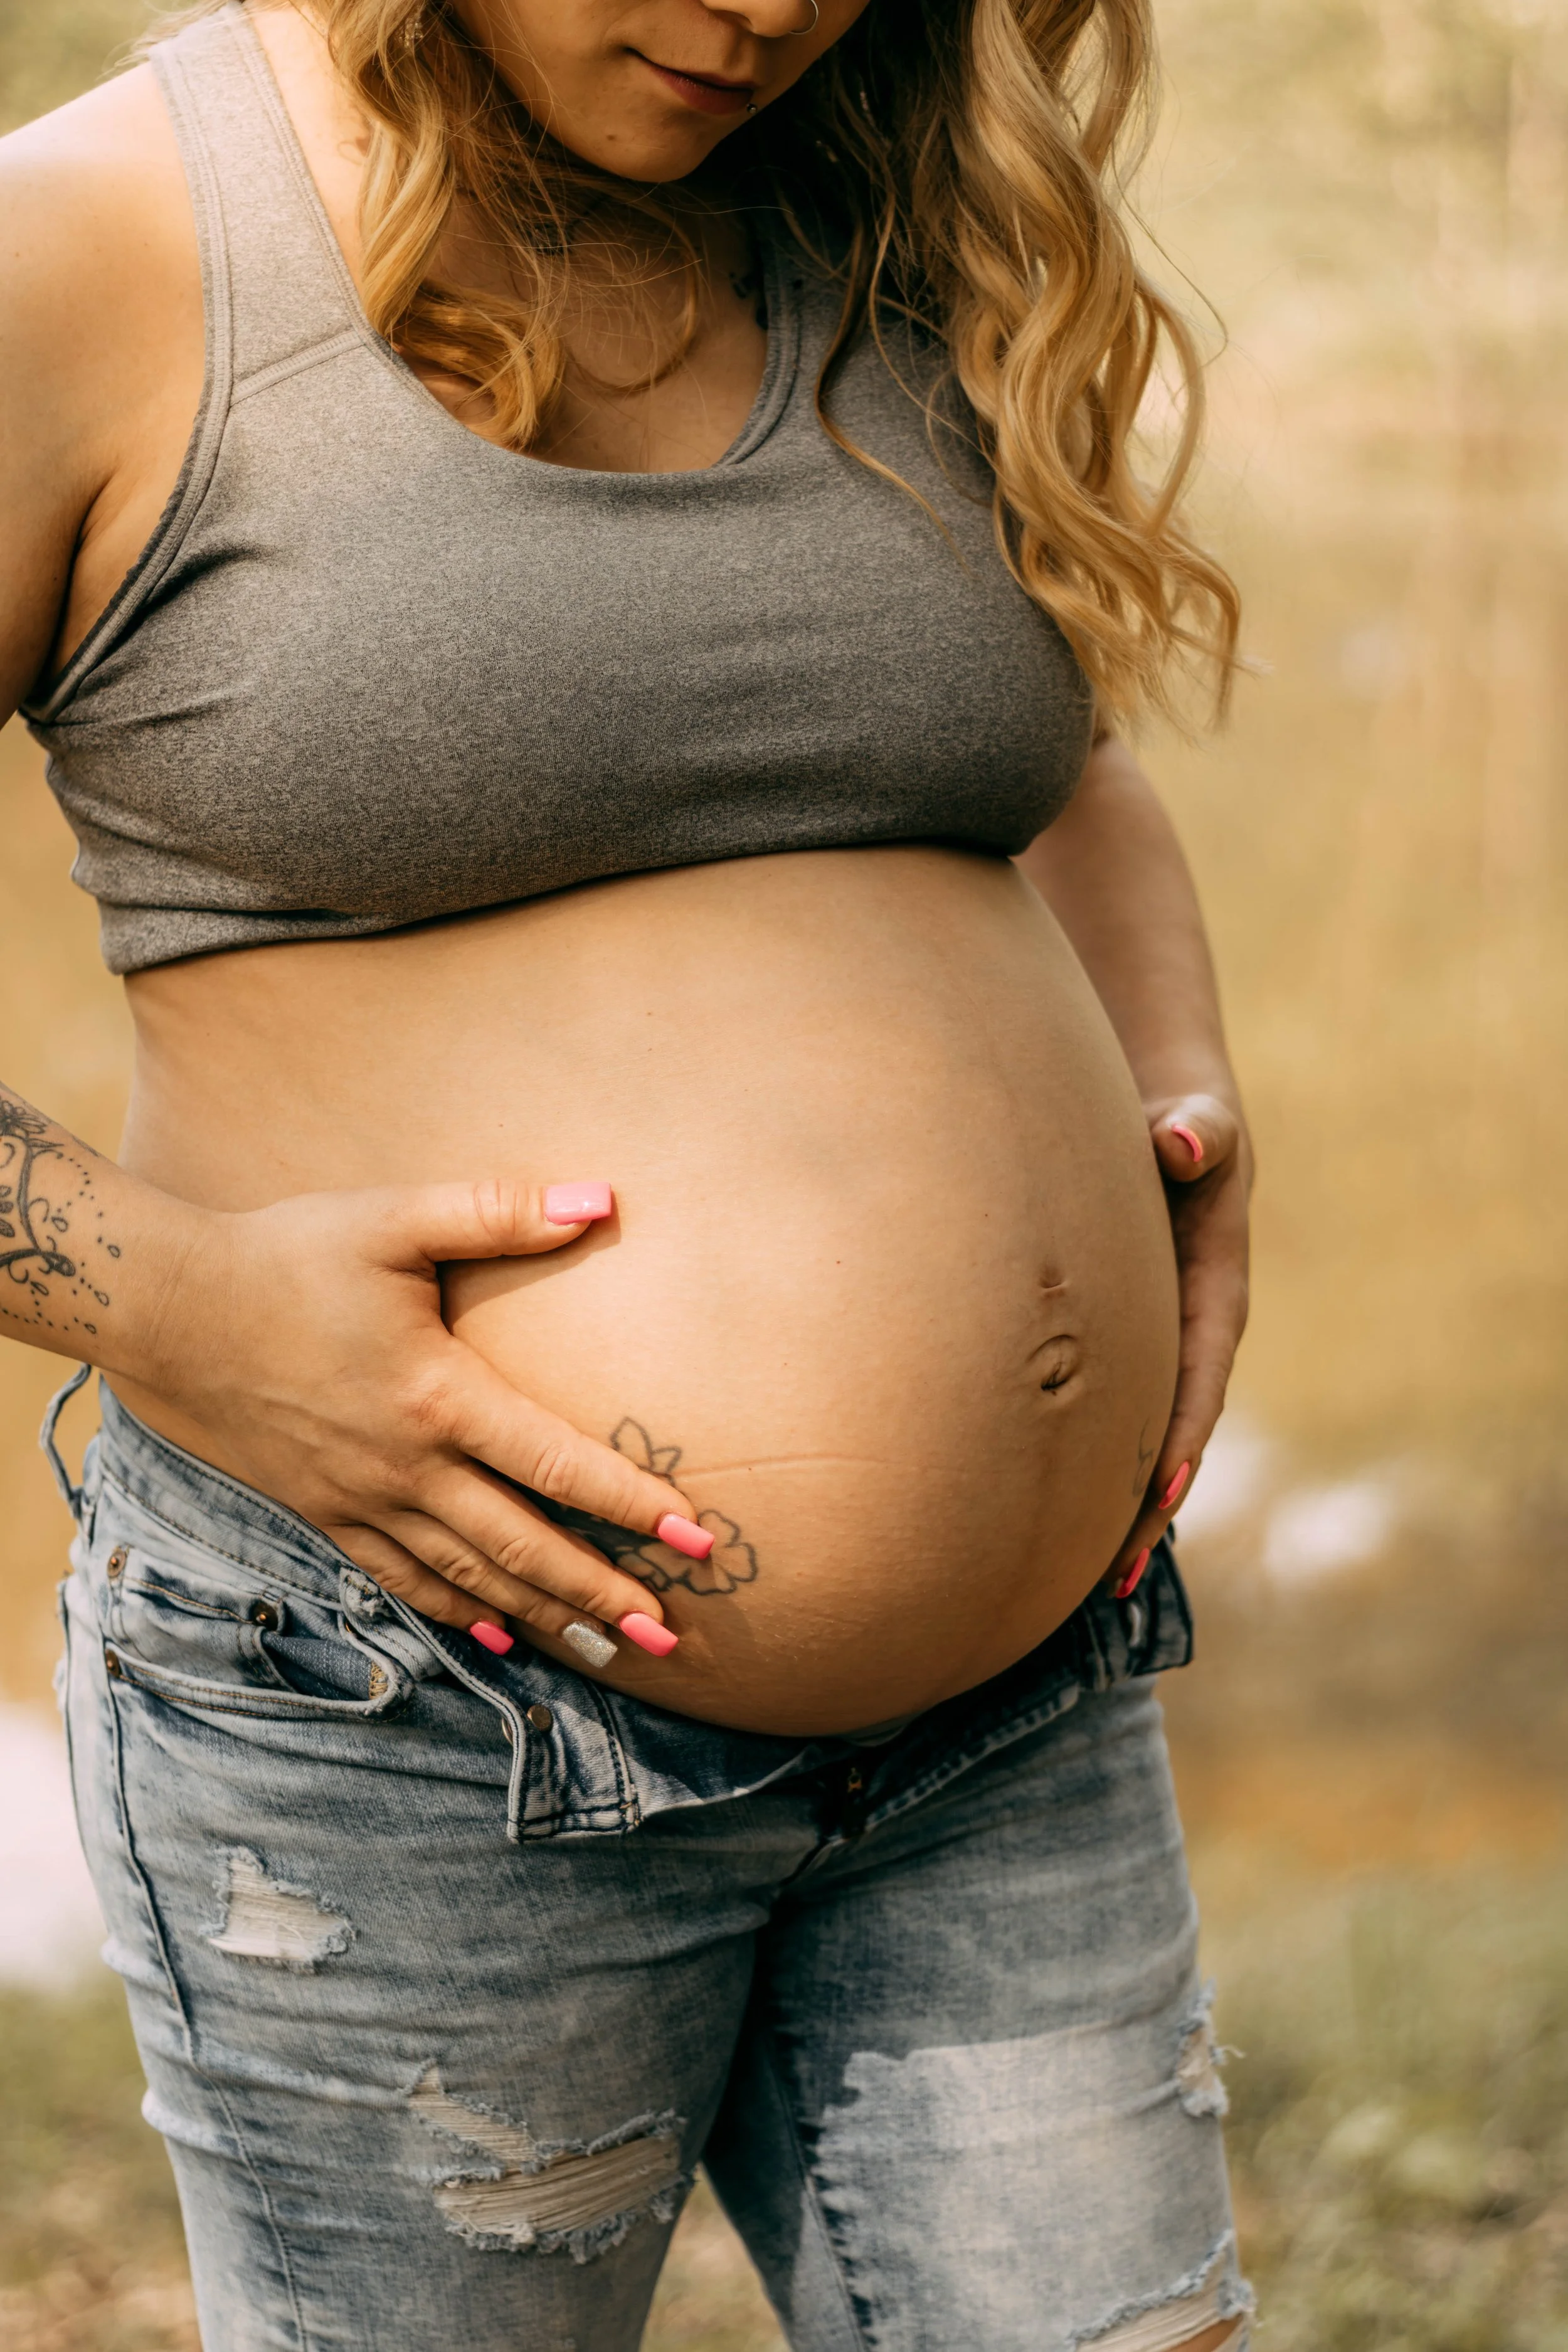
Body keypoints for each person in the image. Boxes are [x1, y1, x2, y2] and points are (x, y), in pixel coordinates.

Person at [0, 0, 1255, 2341]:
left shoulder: (849, 194)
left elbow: (1041, 745)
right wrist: (172, 1300)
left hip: (1021, 1700)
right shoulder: (84, 251)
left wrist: (1175, 1089)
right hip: (414, 1694)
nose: (770, 6)